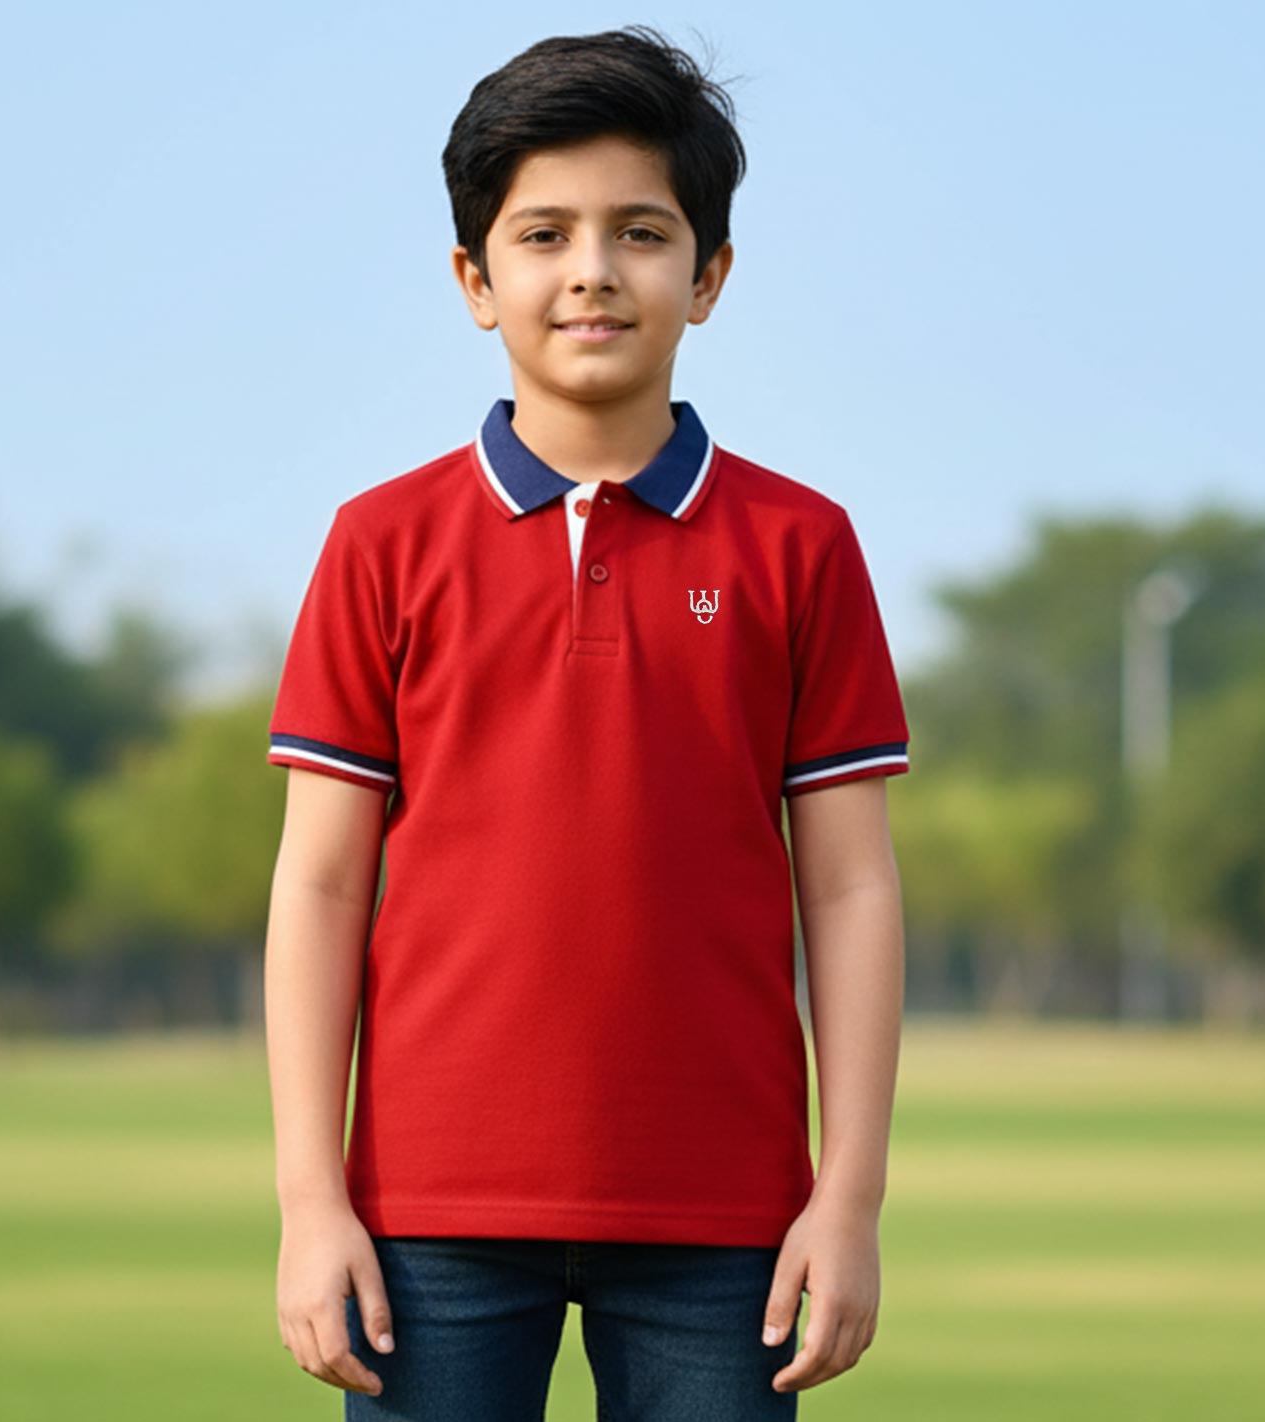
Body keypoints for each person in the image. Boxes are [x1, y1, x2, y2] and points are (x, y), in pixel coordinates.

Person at [264, 23, 911, 1420]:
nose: (592, 271)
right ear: (474, 281)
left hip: (726, 1219)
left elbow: (851, 886)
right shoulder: (380, 542)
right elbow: (320, 882)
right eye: (543, 234)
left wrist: (845, 1194)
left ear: (709, 275)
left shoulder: (803, 545)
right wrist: (309, 1199)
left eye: (639, 230)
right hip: (421, 1220)